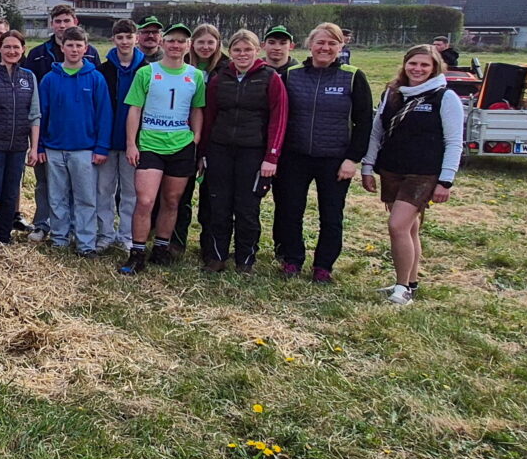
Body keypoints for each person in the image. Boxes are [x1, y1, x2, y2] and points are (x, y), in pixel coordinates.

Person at [361, 46, 463, 305]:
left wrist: (446, 180)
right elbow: (377, 131)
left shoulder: (445, 97)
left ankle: (401, 287)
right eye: (413, 63)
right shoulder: (393, 93)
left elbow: (454, 142)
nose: (417, 69)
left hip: (423, 174)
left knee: (397, 226)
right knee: (410, 228)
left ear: (435, 68)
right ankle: (411, 282)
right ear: (405, 64)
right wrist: (367, 166)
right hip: (392, 169)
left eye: (424, 65)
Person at [274, 23, 373, 282]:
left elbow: (364, 122)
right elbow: (278, 115)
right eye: (320, 42)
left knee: (331, 215)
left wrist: (352, 159)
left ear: (341, 47)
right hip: (295, 156)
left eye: (332, 43)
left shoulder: (353, 76)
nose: (325, 48)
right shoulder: (291, 75)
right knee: (290, 210)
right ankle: (292, 259)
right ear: (310, 44)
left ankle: (323, 266)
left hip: (334, 159)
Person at [117, 23, 207, 275]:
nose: (176, 45)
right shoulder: (147, 72)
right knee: (145, 200)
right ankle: (137, 253)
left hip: (181, 146)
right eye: (172, 40)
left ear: (188, 46)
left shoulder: (195, 76)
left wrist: (196, 137)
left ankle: (161, 248)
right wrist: (131, 143)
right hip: (150, 144)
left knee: (172, 200)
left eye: (181, 41)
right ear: (163, 43)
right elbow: (134, 109)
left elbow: (197, 109)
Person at [198, 30, 287, 273]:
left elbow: (278, 119)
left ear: (257, 51)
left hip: (253, 152)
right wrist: (203, 153)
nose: (242, 54)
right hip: (220, 150)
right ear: (230, 52)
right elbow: (209, 117)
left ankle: (245, 259)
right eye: (237, 50)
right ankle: (217, 256)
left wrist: (271, 156)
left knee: (247, 208)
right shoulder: (220, 79)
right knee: (219, 206)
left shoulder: (270, 78)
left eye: (248, 49)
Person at [38, 27, 113, 254]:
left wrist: (101, 147)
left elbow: (104, 115)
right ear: (62, 47)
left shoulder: (95, 78)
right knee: (57, 197)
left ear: (85, 48)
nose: (74, 49)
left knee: (85, 198)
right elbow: (41, 115)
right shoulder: (50, 79)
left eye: (78, 45)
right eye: (70, 45)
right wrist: (39, 145)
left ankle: (85, 243)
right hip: (54, 148)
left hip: (85, 150)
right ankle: (59, 239)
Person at [24, 4, 95, 243]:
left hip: (80, 138)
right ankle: (44, 225)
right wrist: (38, 141)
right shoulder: (38, 54)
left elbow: (96, 98)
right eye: (58, 21)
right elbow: (33, 98)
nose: (62, 25)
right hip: (48, 135)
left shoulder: (91, 56)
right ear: (52, 24)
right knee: (46, 185)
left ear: (75, 22)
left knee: (79, 188)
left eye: (67, 21)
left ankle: (75, 228)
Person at [163, 22, 226, 256]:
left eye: (210, 42)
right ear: (192, 44)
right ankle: (176, 241)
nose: (205, 47)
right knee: (180, 194)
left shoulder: (226, 69)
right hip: (183, 136)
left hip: (215, 137)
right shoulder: (181, 66)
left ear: (218, 44)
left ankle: (210, 246)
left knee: (212, 196)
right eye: (201, 42)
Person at [0, 30, 40, 250]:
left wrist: (34, 147)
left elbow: (34, 114)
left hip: (18, 146)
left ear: (23, 49)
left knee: (11, 193)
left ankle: (4, 235)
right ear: (0, 48)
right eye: (7, 47)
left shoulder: (29, 77)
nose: (12, 51)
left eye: (16, 47)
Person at [96, 18, 147, 253]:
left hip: (134, 144)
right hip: (107, 141)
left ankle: (126, 235)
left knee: (130, 192)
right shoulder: (103, 71)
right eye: (120, 37)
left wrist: (135, 141)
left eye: (129, 37)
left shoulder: (146, 70)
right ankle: (105, 234)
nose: (124, 41)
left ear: (136, 39)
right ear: (113, 39)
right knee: (103, 190)